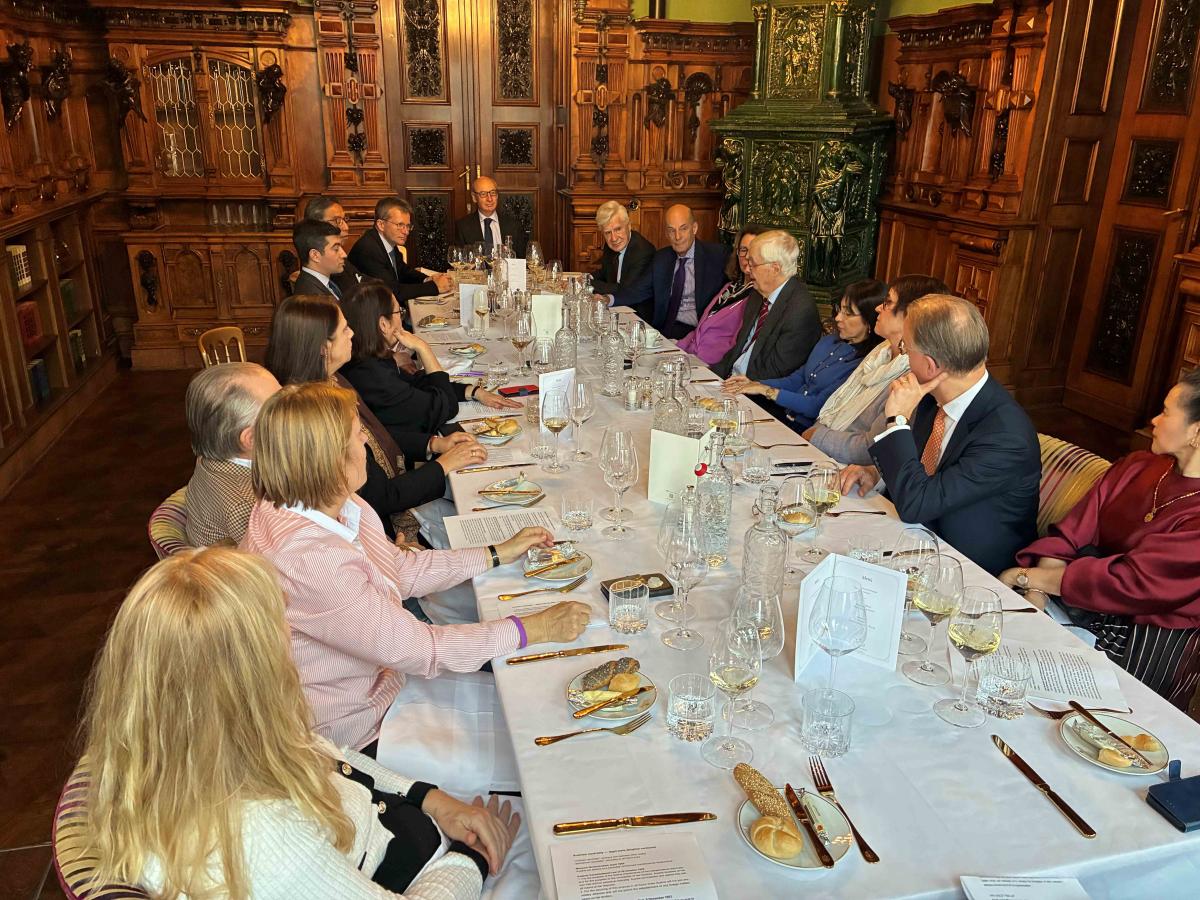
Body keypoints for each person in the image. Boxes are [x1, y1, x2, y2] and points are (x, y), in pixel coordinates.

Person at [75, 546, 522, 899]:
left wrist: (431, 800)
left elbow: (331, 756)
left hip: (409, 827)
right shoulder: (263, 839)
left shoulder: (178, 750)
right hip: (432, 876)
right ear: (244, 674)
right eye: (279, 627)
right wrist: (470, 860)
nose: (290, 640)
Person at [241, 383, 590, 792]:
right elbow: (421, 650)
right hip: (357, 730)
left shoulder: (324, 503)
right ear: (331, 459)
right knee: (542, 756)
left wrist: (495, 553)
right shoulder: (309, 558)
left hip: (385, 683)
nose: (366, 442)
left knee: (532, 698)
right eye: (358, 435)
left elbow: (399, 570)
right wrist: (532, 628)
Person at [999, 370, 1200, 708]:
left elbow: (1131, 583)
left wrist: (1028, 577)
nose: (1154, 420)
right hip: (1073, 601)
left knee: (1075, 716)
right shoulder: (1137, 466)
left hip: (1146, 640)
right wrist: (1036, 594)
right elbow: (1069, 533)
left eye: (1166, 412)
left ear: (1196, 432)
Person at [840, 294, 1040, 575]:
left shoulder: (1006, 437)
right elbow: (925, 472)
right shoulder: (933, 396)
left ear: (930, 365)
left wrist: (896, 420)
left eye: (905, 347)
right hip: (914, 542)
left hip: (968, 574)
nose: (903, 355)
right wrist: (877, 474)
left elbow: (917, 504)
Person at [265, 295, 482, 541]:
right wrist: (444, 465)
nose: (352, 333)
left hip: (388, 500)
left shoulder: (331, 379)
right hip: (377, 528)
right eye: (344, 329)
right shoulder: (314, 414)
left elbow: (376, 434)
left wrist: (433, 444)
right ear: (323, 348)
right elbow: (378, 496)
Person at [339, 280, 520, 444]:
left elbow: (417, 384)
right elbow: (446, 407)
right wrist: (423, 348)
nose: (401, 317)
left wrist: (473, 391)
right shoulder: (375, 377)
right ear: (384, 325)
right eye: (399, 312)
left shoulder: (367, 359)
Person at [805, 274, 948, 463]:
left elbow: (871, 447)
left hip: (850, 468)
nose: (878, 308)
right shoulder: (880, 351)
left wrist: (816, 436)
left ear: (910, 315)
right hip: (824, 449)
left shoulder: (912, 376)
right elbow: (835, 408)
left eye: (887, 303)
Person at [721, 278, 887, 430]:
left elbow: (818, 407)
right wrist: (754, 383)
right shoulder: (829, 341)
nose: (837, 318)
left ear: (869, 321)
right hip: (783, 417)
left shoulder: (863, 364)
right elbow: (797, 379)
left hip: (808, 431)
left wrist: (767, 391)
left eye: (848, 313)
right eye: (840, 309)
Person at [183, 362, 281, 547]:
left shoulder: (207, 460)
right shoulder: (247, 505)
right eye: (282, 410)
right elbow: (281, 558)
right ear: (250, 439)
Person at [711, 230, 822, 382]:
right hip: (730, 381)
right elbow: (736, 351)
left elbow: (776, 372)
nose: (747, 270)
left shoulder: (800, 311)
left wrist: (732, 387)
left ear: (775, 269)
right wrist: (709, 377)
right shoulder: (758, 294)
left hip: (755, 390)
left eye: (753, 264)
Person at [612, 204, 727, 339]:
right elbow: (638, 290)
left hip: (699, 334)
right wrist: (609, 299)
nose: (677, 236)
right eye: (672, 231)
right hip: (664, 331)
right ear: (667, 233)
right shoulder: (661, 258)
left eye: (683, 229)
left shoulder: (717, 256)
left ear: (694, 228)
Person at [677, 225, 767, 366]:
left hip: (713, 365)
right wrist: (678, 347)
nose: (747, 257)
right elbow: (702, 327)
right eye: (743, 250)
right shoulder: (729, 287)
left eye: (753, 251)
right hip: (691, 355)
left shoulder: (757, 297)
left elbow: (738, 344)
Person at [349, 197, 452, 302]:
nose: (406, 232)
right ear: (381, 225)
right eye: (400, 225)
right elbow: (392, 292)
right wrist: (434, 287)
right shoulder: (368, 249)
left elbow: (403, 271)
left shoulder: (387, 241)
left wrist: (427, 279)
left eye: (408, 226)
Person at [590, 201, 655, 299]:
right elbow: (604, 273)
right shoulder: (610, 245)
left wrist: (587, 284)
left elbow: (625, 290)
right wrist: (586, 278)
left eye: (618, 229)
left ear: (628, 226)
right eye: (608, 233)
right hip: (613, 303)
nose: (614, 238)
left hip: (635, 306)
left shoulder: (643, 252)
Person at [452, 176, 528, 258]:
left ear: (497, 196)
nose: (489, 199)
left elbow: (522, 259)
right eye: (483, 194)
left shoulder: (514, 225)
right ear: (474, 198)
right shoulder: (463, 227)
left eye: (493, 193)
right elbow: (459, 260)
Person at [304, 195, 363, 295]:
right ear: (317, 225)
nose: (346, 227)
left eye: (344, 220)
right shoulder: (326, 266)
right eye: (338, 221)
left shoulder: (340, 259)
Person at [292, 219, 349, 298]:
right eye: (336, 249)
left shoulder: (321, 282)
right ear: (315, 255)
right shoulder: (313, 297)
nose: (344, 255)